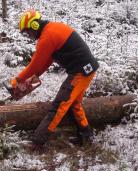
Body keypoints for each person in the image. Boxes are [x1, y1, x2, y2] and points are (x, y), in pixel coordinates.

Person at [10, 10, 99, 147]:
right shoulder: (51, 30)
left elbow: (34, 65)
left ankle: (38, 141)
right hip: (84, 69)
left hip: (81, 71)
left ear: (34, 25)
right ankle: (86, 137)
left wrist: (17, 79)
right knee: (74, 104)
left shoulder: (47, 36)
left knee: (60, 105)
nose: (29, 36)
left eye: (28, 32)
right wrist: (34, 78)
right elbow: (45, 62)